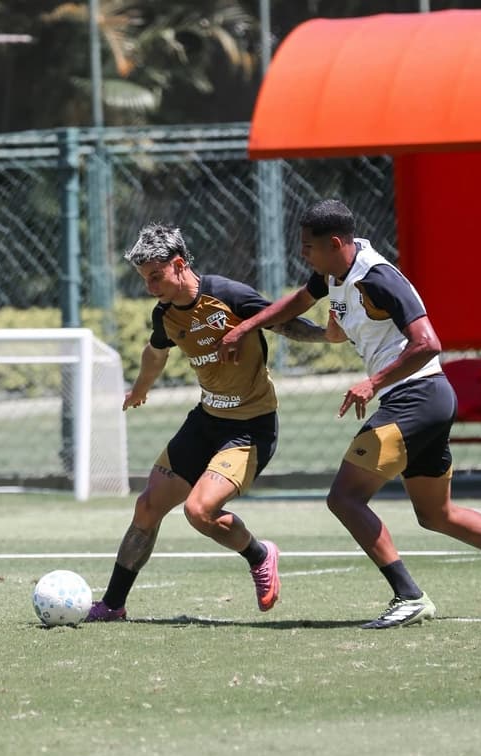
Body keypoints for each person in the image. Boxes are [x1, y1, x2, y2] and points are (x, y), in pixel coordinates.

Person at [217, 198, 481, 628]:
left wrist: (373, 382)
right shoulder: (334, 273)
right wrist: (246, 326)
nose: (302, 253)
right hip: (423, 399)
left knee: (344, 498)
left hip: (417, 397)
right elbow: (299, 302)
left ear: (336, 243)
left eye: (308, 246)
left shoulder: (377, 278)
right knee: (436, 514)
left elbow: (429, 343)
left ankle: (409, 596)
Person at [87, 222, 326, 621]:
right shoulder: (165, 314)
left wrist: (328, 336)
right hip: (205, 421)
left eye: (156, 276)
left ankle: (259, 554)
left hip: (249, 428)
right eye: (144, 278)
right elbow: (156, 352)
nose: (150, 286)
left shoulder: (227, 295)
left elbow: (282, 321)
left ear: (180, 264)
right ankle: (113, 605)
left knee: (199, 511)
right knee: (147, 507)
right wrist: (140, 388)